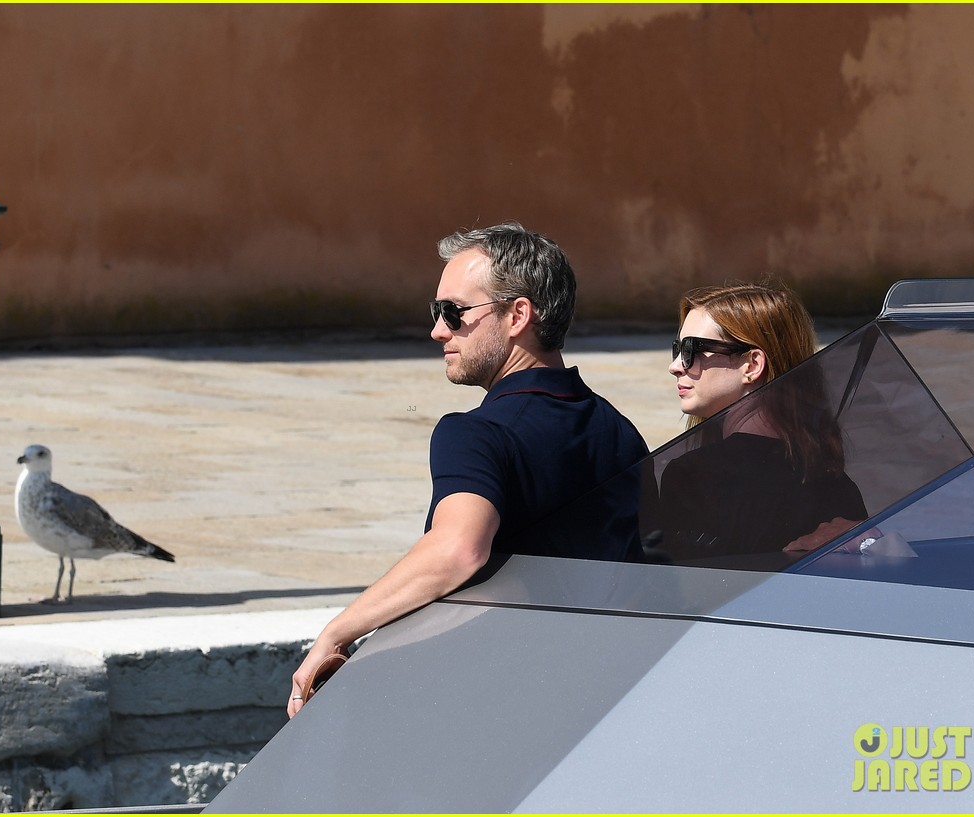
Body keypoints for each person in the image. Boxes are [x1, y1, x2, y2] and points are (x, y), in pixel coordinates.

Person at [287, 223, 647, 717]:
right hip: (603, 697)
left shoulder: (476, 433)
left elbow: (458, 549)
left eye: (453, 312)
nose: (438, 330)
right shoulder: (619, 430)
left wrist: (338, 632)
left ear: (517, 314)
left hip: (497, 706)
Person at [642, 281, 866, 563]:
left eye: (692, 350)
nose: (675, 366)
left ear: (752, 365)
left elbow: (677, 584)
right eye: (677, 349)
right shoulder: (835, 480)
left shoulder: (694, 476)